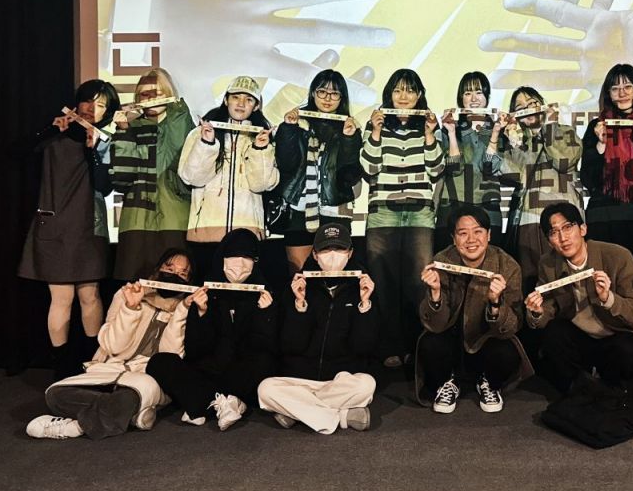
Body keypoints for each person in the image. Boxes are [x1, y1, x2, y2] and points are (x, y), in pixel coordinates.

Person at [25, 250, 197, 440]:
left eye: (182, 273)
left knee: (129, 397)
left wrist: (181, 312)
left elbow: (170, 356)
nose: (174, 275)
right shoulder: (127, 294)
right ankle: (128, 414)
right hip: (107, 369)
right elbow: (113, 346)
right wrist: (131, 309)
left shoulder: (186, 308)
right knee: (55, 395)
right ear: (158, 269)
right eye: (169, 269)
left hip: (145, 378)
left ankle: (76, 427)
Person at [17, 79, 120, 379]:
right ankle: (61, 365)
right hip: (56, 226)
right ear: (77, 101)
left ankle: (92, 361)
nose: (92, 108)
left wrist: (94, 150)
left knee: (90, 295)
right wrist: (50, 130)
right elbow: (17, 152)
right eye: (88, 100)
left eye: (101, 105)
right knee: (61, 298)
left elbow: (105, 186)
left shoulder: (105, 141)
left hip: (89, 226)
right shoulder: (56, 132)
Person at [147, 229, 277, 431]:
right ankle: (224, 402)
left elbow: (264, 347)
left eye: (247, 257)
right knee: (160, 362)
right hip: (208, 370)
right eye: (233, 255)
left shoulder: (265, 293)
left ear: (256, 261)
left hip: (240, 373)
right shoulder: (206, 292)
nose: (240, 263)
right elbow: (195, 349)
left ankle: (202, 404)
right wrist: (201, 313)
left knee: (264, 362)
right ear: (222, 257)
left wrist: (265, 314)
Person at [257, 223, 378, 434]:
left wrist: (364, 305)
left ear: (350, 253)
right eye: (325, 250)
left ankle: (296, 411)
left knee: (367, 384)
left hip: (340, 381)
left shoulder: (361, 288)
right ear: (314, 254)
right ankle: (341, 416)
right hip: (299, 381)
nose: (332, 255)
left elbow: (363, 347)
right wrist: (299, 306)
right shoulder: (297, 287)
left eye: (339, 249)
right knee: (265, 389)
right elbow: (290, 346)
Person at [524, 202, 633, 394]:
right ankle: (581, 386)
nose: (563, 238)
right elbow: (548, 310)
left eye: (567, 227)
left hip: (618, 332)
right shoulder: (548, 263)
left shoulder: (617, 255)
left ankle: (606, 386)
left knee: (627, 350)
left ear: (583, 229)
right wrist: (537, 312)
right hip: (581, 337)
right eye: (553, 232)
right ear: (549, 241)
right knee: (554, 334)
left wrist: (609, 298)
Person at [360, 68, 444, 368]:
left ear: (419, 95)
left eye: (410, 90)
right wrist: (375, 133)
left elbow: (437, 169)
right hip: (382, 212)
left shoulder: (429, 125)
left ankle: (416, 346)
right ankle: (389, 347)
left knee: (417, 283)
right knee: (383, 282)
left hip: (419, 213)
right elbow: (368, 169)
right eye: (398, 90)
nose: (404, 96)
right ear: (389, 94)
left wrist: (430, 135)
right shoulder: (376, 125)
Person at [417, 205, 532, 414]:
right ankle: (448, 381)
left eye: (478, 231)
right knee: (429, 343)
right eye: (463, 233)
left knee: (507, 351)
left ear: (489, 235)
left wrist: (495, 304)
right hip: (453, 340)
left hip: (487, 340)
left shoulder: (507, 265)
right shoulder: (441, 261)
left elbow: (512, 326)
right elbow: (434, 325)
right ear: (453, 238)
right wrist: (435, 293)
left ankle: (488, 382)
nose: (471, 240)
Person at [485, 86, 583, 297]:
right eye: (520, 107)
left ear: (542, 104)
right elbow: (492, 167)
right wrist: (500, 135)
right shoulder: (519, 143)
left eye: (531, 103)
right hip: (528, 221)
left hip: (563, 220)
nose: (527, 109)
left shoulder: (565, 132)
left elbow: (563, 160)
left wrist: (550, 126)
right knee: (532, 285)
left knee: (568, 285)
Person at [178, 76, 279, 281]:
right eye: (236, 97)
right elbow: (192, 178)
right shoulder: (200, 133)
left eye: (248, 99)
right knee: (207, 291)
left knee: (243, 295)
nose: (241, 103)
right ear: (226, 100)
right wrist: (207, 144)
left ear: (256, 106)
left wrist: (260, 149)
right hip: (205, 233)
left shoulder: (263, 138)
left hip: (247, 234)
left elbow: (261, 184)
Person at [273, 70, 362, 277]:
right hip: (298, 209)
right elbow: (286, 164)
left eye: (334, 93)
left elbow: (350, 175)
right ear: (313, 93)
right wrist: (288, 129)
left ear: (342, 98)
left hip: (336, 209)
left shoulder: (349, 127)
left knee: (333, 275)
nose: (327, 98)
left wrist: (349, 139)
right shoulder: (297, 122)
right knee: (299, 275)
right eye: (322, 91)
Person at [110, 68, 195, 281]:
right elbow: (122, 178)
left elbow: (175, 156)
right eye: (144, 94)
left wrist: (176, 109)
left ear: (169, 94)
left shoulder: (181, 122)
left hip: (175, 218)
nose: (150, 99)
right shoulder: (131, 127)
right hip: (136, 220)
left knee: (175, 284)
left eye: (157, 93)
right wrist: (123, 131)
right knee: (135, 285)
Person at [581, 64, 633, 267]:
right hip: (603, 216)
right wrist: (600, 145)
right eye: (615, 88)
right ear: (608, 93)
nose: (622, 93)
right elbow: (588, 179)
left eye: (628, 87)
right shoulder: (596, 126)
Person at [436, 71, 503, 250]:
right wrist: (451, 133)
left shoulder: (499, 129)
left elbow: (490, 168)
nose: (474, 98)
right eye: (467, 93)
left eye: (479, 92)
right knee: (449, 259)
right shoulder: (448, 129)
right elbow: (453, 168)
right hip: (453, 204)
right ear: (461, 99)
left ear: (487, 97)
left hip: (488, 205)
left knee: (491, 259)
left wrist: (496, 133)